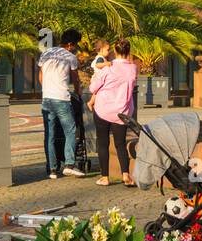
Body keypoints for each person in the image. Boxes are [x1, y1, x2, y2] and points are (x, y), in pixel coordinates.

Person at [89, 39, 138, 186]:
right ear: (128, 51)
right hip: (122, 111)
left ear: (114, 51)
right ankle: (126, 175)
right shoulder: (133, 68)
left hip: (103, 109)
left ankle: (105, 177)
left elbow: (93, 88)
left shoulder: (107, 68)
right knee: (120, 143)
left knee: (103, 143)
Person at [38, 29, 86, 179]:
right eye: (76, 45)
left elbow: (40, 76)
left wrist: (46, 89)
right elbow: (76, 79)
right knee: (70, 131)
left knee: (50, 134)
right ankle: (69, 164)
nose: (76, 48)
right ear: (70, 44)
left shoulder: (46, 53)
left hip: (47, 99)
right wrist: (78, 93)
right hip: (62, 98)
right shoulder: (70, 57)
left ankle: (52, 169)